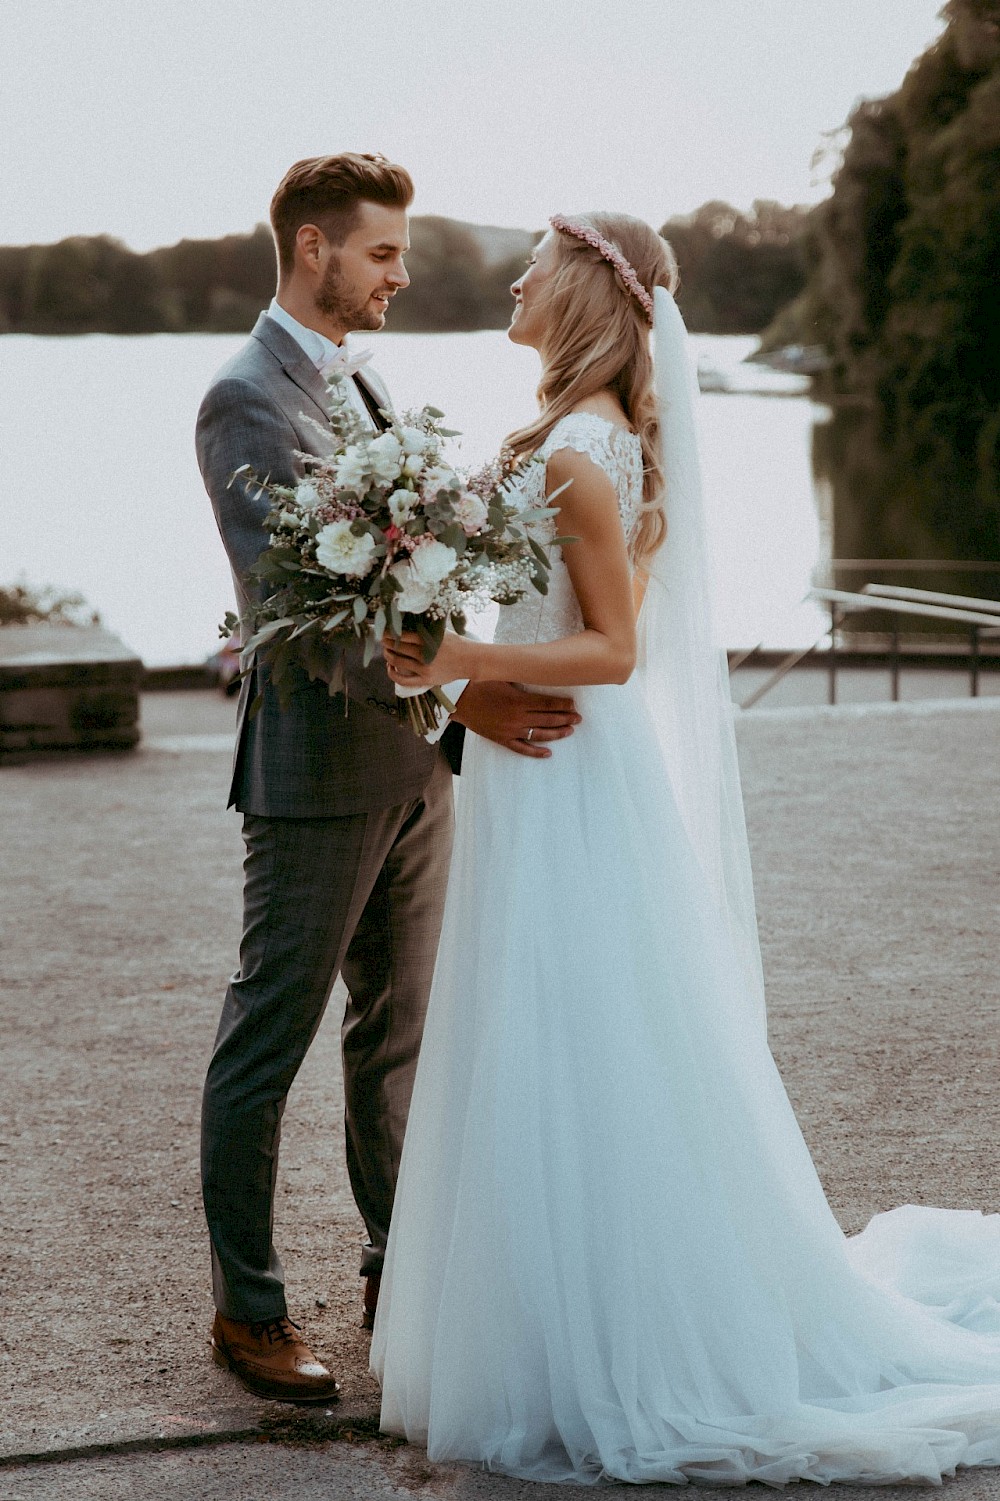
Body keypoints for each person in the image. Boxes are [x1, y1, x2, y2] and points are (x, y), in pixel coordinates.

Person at [371, 212, 1000, 1484]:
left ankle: (612, 1333)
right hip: (533, 766)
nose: (513, 276)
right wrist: (439, 657)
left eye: (535, 263)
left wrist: (460, 657)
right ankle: (552, 1315)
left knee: (575, 1033)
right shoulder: (566, 435)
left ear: (589, 295)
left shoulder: (582, 454)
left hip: (567, 775)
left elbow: (613, 648)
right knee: (542, 1027)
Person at [195, 153, 580, 1405]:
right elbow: (305, 609)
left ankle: (396, 1276)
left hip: (416, 768)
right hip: (315, 771)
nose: (400, 275)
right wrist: (465, 685)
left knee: (396, 1037)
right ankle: (248, 1315)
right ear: (312, 250)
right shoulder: (241, 398)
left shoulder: (362, 382)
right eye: (380, 254)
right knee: (269, 1036)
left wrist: (449, 696)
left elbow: (401, 568)